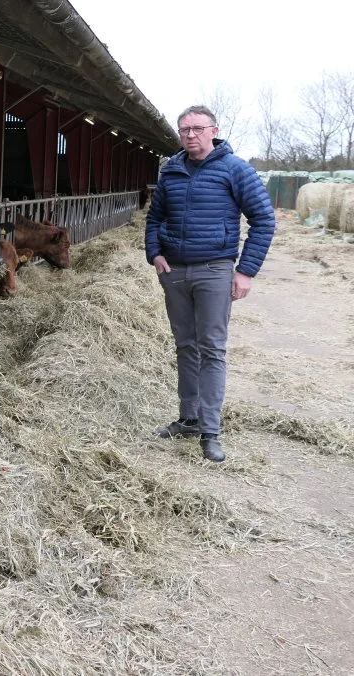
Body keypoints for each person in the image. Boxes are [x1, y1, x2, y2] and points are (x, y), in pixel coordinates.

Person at [144, 105, 275, 462]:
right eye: (184, 129)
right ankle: (188, 417)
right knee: (185, 345)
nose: (190, 135)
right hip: (174, 272)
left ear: (214, 130)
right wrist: (154, 252)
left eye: (197, 128)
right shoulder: (170, 171)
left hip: (215, 270)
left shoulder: (235, 170)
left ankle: (210, 430)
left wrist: (245, 270)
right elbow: (154, 217)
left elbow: (263, 220)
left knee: (212, 347)